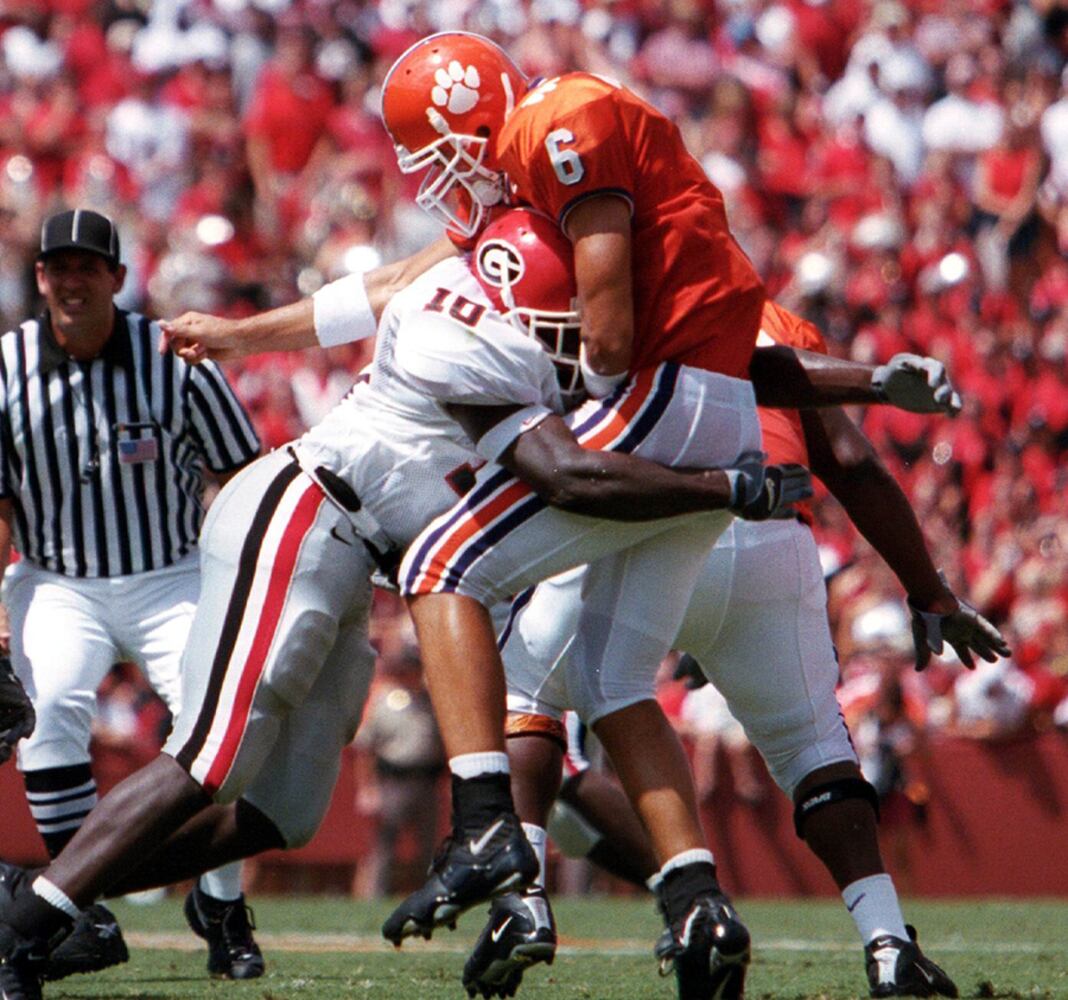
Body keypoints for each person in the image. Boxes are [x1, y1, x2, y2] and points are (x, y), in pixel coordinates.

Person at [0, 208, 817, 1000]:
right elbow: (565, 475)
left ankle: (32, 894)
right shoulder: (462, 332)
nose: (578, 328)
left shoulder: (507, 305)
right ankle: (23, 931)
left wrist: (875, 385)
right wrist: (728, 487)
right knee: (211, 757)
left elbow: (730, 368)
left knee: (279, 815)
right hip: (308, 513)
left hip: (355, 558)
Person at [378, 33, 961, 1000]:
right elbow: (744, 356)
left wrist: (562, 389)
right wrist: (867, 386)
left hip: (665, 408)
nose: (444, 182)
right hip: (719, 409)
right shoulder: (589, 171)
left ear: (470, 123)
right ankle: (707, 903)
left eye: (440, 155)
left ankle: (490, 836)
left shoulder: (560, 125)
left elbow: (608, 341)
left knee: (442, 563)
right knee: (614, 678)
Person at [460, 300, 1004, 999]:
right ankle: (888, 943)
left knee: (528, 692)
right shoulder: (775, 320)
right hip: (775, 537)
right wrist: (930, 592)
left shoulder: (619, 298)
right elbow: (852, 462)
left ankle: (524, 904)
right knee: (814, 748)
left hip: (653, 520)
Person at [0, 209, 264, 984]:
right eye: (58, 267)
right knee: (49, 717)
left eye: (89, 266)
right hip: (54, 576)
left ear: (118, 277)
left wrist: (244, 576)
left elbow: (243, 474)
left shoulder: (173, 359)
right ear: (40, 277)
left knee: (219, 731)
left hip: (170, 570)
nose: (72, 280)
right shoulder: (6, 368)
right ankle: (77, 903)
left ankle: (220, 903)